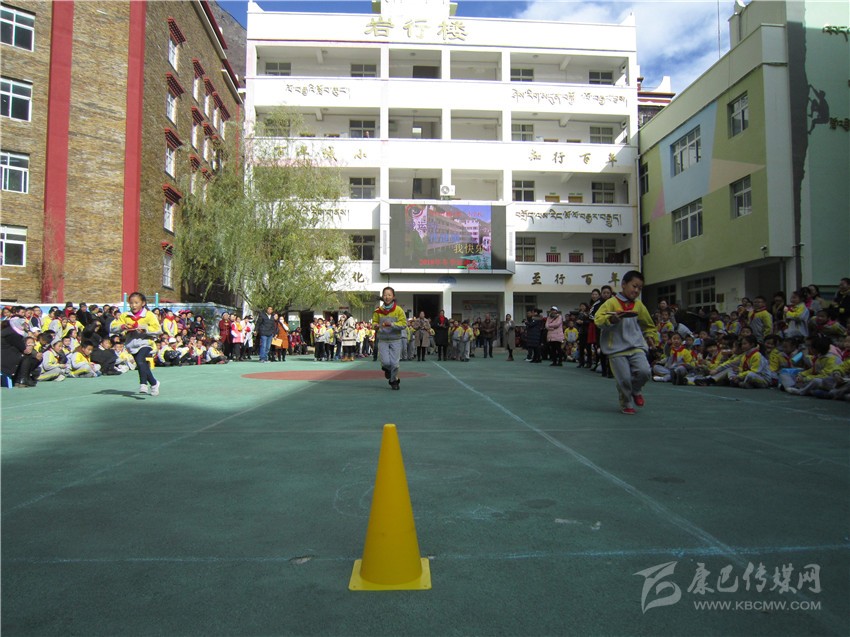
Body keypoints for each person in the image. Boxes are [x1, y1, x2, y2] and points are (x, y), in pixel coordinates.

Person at [594, 271, 658, 415]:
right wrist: (611, 320)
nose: (636, 290)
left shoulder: (639, 305)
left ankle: (636, 390)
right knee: (624, 379)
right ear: (623, 284)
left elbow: (648, 325)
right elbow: (598, 320)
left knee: (645, 371)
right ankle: (627, 403)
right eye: (634, 286)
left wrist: (650, 336)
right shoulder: (611, 303)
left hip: (636, 346)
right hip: (616, 349)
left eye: (639, 288)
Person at [111, 292, 162, 395]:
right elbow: (113, 327)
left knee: (140, 360)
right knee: (141, 363)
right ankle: (154, 383)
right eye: (131, 303)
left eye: (136, 303)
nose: (133, 305)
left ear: (143, 303)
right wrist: (122, 327)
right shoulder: (125, 315)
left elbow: (158, 329)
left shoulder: (149, 315)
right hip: (132, 345)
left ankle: (143, 384)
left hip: (146, 342)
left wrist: (145, 329)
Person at [372, 286, 407, 390]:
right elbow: (374, 322)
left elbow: (404, 324)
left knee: (395, 364)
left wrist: (392, 324)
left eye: (389, 295)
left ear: (393, 296)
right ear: (382, 296)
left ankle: (394, 381)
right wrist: (375, 325)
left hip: (395, 340)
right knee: (386, 362)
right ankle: (387, 369)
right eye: (385, 295)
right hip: (383, 340)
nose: (387, 297)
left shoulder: (398, 310)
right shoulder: (378, 311)